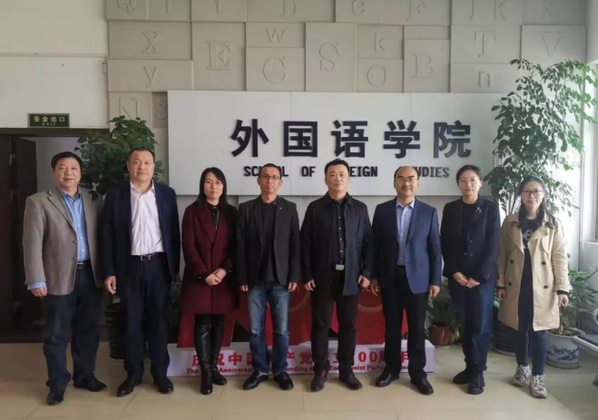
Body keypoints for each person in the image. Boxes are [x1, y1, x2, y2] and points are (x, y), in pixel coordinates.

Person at [23, 152, 106, 406]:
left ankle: (85, 376)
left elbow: (102, 238)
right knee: (57, 334)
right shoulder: (38, 202)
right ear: (54, 171)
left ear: (80, 172)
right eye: (62, 168)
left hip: (90, 275)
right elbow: (32, 243)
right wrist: (36, 279)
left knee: (88, 331)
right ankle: (57, 384)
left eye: (73, 168)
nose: (68, 173)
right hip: (56, 278)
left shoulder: (93, 199)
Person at [102, 147, 180, 397]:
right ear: (128, 166)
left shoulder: (166, 194)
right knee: (131, 322)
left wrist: (174, 270)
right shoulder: (115, 195)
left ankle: (160, 374)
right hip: (129, 267)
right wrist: (109, 271)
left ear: (154, 166)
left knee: (158, 322)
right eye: (137, 162)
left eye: (147, 162)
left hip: (159, 266)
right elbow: (106, 235)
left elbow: (173, 233)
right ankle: (133, 374)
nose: (142, 167)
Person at [301, 158, 373, 392]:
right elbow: (305, 244)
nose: (337, 178)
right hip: (322, 277)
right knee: (321, 325)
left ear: (348, 179)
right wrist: (307, 274)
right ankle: (320, 370)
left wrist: (367, 272)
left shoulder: (359, 208)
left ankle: (346, 370)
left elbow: (368, 244)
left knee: (348, 326)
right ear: (325, 179)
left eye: (342, 174)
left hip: (351, 277)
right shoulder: (315, 208)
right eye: (332, 174)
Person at [497, 175, 570, 398]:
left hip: (543, 286)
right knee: (520, 328)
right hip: (516, 283)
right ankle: (522, 368)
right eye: (527, 191)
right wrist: (500, 283)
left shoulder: (552, 223)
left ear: (543, 194)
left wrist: (562, 288)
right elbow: (502, 255)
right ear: (521, 195)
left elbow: (559, 257)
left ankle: (538, 376)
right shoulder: (510, 222)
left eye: (536, 191)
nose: (532, 196)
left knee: (539, 332)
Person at [371, 166, 441, 395]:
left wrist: (435, 280)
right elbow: (375, 248)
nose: (406, 183)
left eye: (411, 179)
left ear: (417, 183)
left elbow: (435, 249)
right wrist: (374, 275)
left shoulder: (428, 212)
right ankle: (391, 369)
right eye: (401, 178)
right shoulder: (382, 211)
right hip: (390, 278)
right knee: (391, 327)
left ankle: (418, 373)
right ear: (394, 183)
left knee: (417, 328)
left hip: (418, 280)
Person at [236, 163, 300, 391]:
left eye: (274, 177)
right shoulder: (246, 209)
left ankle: (280, 370)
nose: (270, 181)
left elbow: (295, 244)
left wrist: (294, 274)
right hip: (254, 281)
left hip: (281, 280)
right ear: (259, 180)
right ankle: (260, 370)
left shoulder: (290, 208)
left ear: (280, 182)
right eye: (266, 176)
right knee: (255, 330)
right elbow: (239, 245)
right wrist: (242, 277)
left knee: (282, 330)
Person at [440, 165, 500, 395]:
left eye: (473, 180)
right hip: (459, 278)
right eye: (463, 180)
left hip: (481, 279)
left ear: (480, 183)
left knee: (481, 325)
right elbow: (445, 242)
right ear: (459, 184)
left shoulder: (490, 208)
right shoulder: (451, 209)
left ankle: (478, 371)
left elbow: (493, 244)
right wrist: (454, 271)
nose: (468, 184)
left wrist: (479, 276)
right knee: (465, 323)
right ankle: (469, 366)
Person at [180, 167, 237, 395]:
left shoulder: (232, 213)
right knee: (203, 323)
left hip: (223, 278)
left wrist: (225, 269)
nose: (213, 186)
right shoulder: (192, 212)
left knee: (219, 323)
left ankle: (214, 367)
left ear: (224, 186)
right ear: (202, 185)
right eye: (209, 182)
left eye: (218, 182)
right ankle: (205, 372)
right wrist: (204, 274)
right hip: (200, 278)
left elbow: (236, 246)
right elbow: (188, 247)